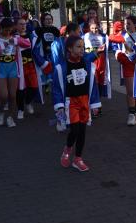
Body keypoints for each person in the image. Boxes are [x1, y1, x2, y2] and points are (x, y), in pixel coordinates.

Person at [55, 35, 103, 172]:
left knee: (82, 131)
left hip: (84, 101)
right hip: (71, 102)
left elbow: (93, 86)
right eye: (78, 47)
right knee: (74, 130)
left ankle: (78, 159)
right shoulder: (61, 68)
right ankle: (67, 149)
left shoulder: (87, 64)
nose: (82, 49)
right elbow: (57, 89)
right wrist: (59, 107)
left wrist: (94, 105)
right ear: (70, 48)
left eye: (83, 47)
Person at [0, 18, 31, 128]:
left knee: (12, 95)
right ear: (1, 28)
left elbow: (28, 44)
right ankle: (1, 112)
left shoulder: (15, 38)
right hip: (1, 70)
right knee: (3, 95)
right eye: (6, 30)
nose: (8, 32)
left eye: (10, 30)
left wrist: (16, 41)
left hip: (13, 69)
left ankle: (10, 117)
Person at [14, 17, 42, 119]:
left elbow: (36, 51)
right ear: (16, 26)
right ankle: (20, 109)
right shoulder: (13, 37)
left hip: (30, 66)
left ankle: (28, 102)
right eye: (20, 24)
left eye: (24, 24)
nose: (23, 26)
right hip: (18, 67)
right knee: (20, 90)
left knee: (34, 87)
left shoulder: (31, 37)